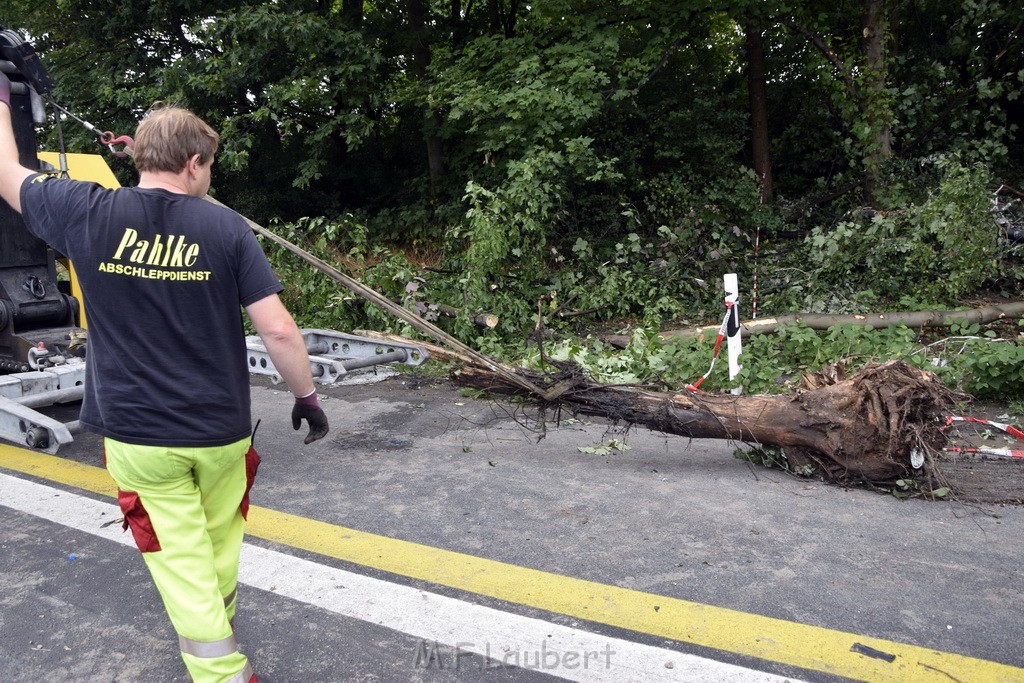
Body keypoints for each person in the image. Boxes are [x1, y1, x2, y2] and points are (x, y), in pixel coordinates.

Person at [0, 69, 329, 683]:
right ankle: (219, 632)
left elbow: (7, 170)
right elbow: (279, 330)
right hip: (220, 430)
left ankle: (219, 669)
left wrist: (0, 93)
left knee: (178, 551)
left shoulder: (85, 211)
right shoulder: (225, 228)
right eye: (211, 168)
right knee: (219, 534)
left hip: (138, 434)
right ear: (195, 163)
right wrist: (307, 397)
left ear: (141, 155)